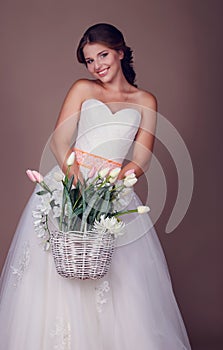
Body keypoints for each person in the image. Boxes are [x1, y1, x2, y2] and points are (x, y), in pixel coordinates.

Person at [0, 23, 192, 349]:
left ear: (120, 51)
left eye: (102, 55)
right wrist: (77, 184)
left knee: (120, 280)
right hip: (71, 184)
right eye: (89, 60)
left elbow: (141, 161)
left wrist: (108, 189)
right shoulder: (82, 89)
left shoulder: (145, 100)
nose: (97, 66)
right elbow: (61, 142)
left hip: (113, 192)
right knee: (58, 271)